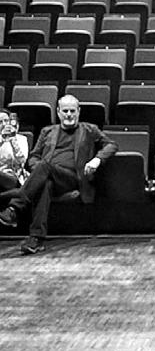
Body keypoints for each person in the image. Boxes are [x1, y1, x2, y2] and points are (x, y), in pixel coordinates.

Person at [0, 95, 118, 255]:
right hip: (48, 176)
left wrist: (97, 159)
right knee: (45, 183)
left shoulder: (89, 129)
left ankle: (15, 207)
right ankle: (36, 239)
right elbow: (34, 156)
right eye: (65, 111)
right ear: (58, 112)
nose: (68, 114)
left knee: (45, 167)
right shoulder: (47, 131)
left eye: (72, 111)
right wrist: (37, 169)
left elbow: (112, 145)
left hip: (73, 178)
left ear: (78, 111)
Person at [0, 109, 29, 192]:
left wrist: (13, 141)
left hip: (14, 178)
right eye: (0, 122)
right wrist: (2, 140)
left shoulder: (21, 139)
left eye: (6, 121)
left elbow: (21, 161)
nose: (4, 124)